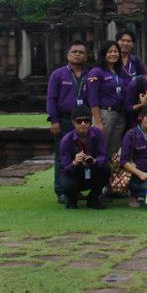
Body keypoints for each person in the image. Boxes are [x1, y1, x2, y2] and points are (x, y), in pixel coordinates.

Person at [46, 40, 89, 203]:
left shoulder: (89, 75)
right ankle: (61, 191)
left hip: (84, 122)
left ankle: (75, 188)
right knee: (62, 154)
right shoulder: (58, 75)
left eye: (81, 52)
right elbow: (51, 99)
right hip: (64, 119)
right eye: (74, 51)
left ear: (86, 56)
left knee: (82, 154)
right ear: (67, 55)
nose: (78, 54)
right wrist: (54, 120)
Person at [58, 105, 109, 209]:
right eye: (79, 121)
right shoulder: (66, 141)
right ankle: (72, 201)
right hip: (75, 173)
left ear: (90, 121)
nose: (83, 124)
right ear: (73, 122)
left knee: (106, 168)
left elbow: (103, 156)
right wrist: (75, 162)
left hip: (92, 169)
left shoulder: (98, 134)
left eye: (86, 121)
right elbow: (64, 168)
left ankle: (93, 200)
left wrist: (95, 161)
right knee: (66, 181)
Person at [87, 40, 126, 161]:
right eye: (110, 51)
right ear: (104, 54)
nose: (113, 54)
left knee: (113, 152)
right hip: (104, 115)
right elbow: (92, 98)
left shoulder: (118, 71)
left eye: (116, 51)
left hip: (119, 114)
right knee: (100, 149)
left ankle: (110, 177)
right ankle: (96, 177)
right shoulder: (96, 72)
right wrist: (98, 122)